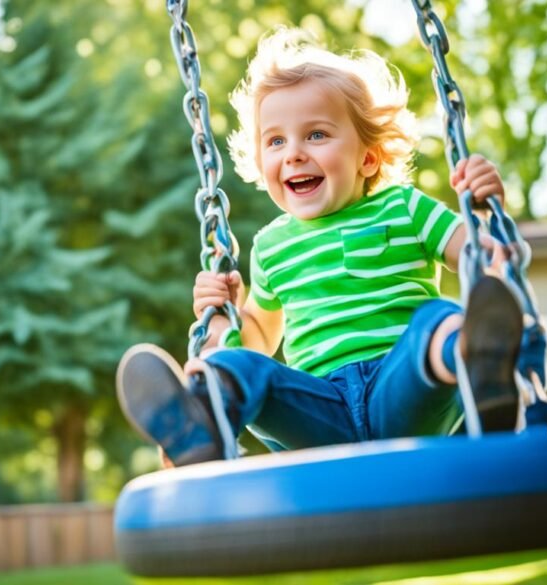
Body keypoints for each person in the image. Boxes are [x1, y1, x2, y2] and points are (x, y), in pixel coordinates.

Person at [117, 28, 523, 468]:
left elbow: (485, 260)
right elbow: (257, 338)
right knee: (243, 369)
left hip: (404, 392)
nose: (292, 153)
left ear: (368, 158)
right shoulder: (271, 245)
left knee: (438, 320)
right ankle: (198, 422)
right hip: (319, 413)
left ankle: (482, 367)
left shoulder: (405, 208)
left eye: (316, 135)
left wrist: (486, 213)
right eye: (275, 140)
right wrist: (222, 318)